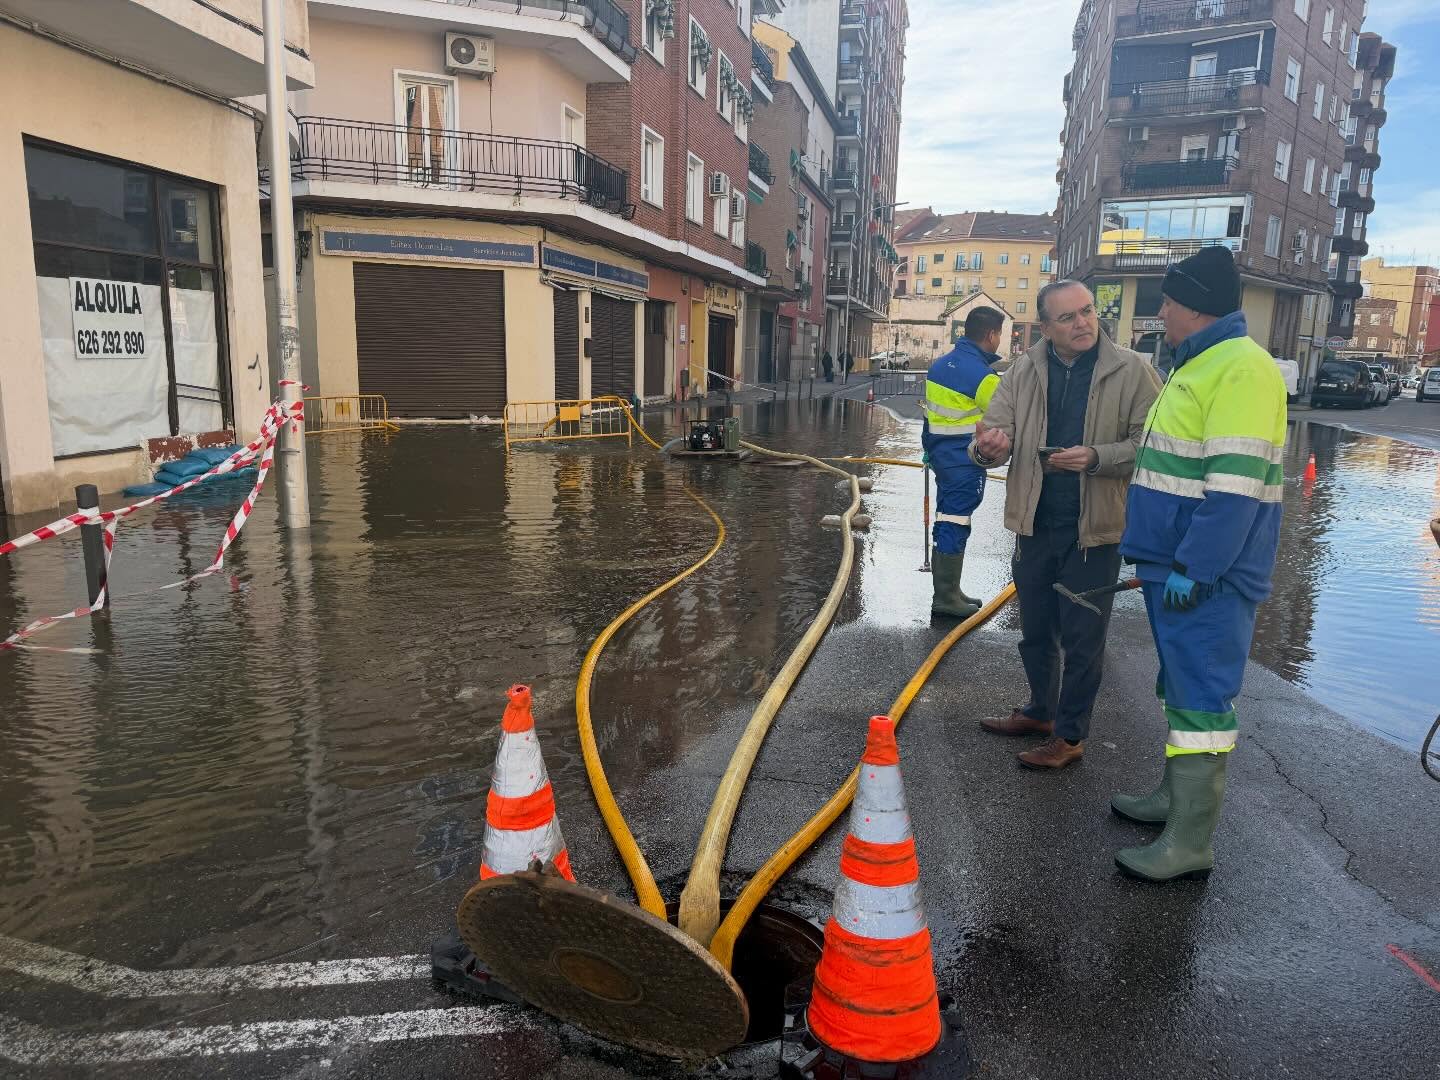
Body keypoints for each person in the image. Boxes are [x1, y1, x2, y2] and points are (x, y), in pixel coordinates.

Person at [1111, 246, 1287, 883]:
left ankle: (1190, 842)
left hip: (1204, 576)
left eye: (1167, 299)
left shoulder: (1240, 369)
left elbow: (1234, 487)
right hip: (1176, 566)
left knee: (1202, 704)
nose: (1161, 309)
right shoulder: (1206, 363)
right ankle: (1173, 801)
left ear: (1191, 305)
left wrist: (1199, 565)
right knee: (1182, 689)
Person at [971, 282, 1162, 770]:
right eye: (1068, 317)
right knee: (1035, 629)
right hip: (1034, 521)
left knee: (1083, 639)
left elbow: (1155, 445)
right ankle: (1041, 711)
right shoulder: (1024, 369)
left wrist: (1098, 457)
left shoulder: (1134, 369)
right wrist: (987, 449)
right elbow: (995, 432)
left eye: (1087, 312)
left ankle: (1070, 735)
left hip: (1094, 529)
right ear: (1046, 327)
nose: (1082, 323)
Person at [923, 307, 1004, 619]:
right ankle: (945, 596)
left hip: (942, 458)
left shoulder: (939, 367)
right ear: (990, 335)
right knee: (955, 521)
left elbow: (930, 416)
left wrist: (928, 449)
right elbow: (1003, 418)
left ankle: (951, 590)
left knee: (948, 518)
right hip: (965, 460)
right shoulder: (983, 376)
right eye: (1000, 334)